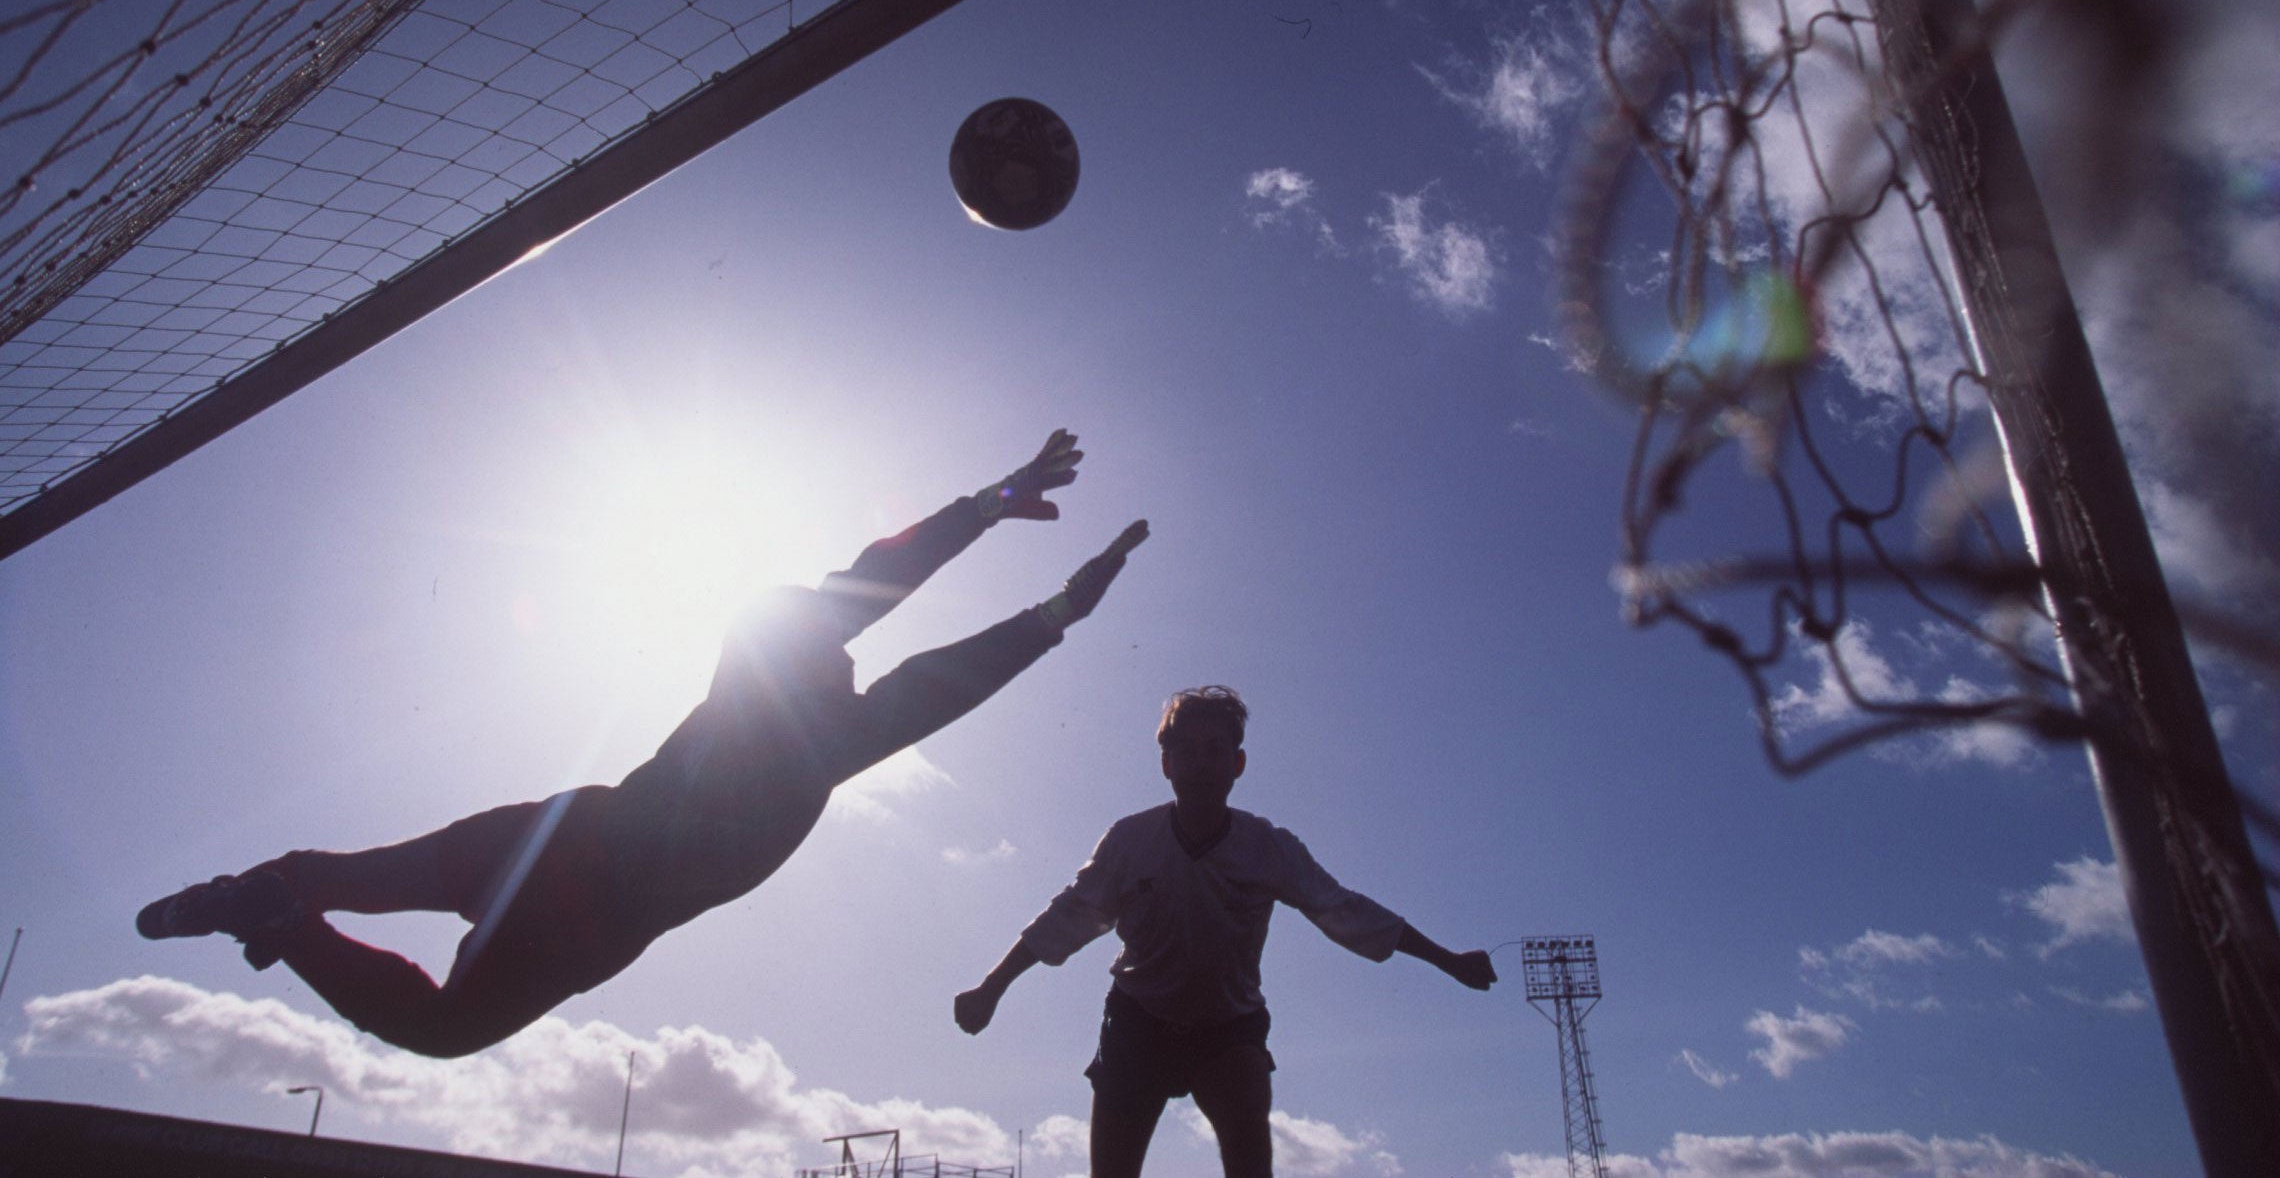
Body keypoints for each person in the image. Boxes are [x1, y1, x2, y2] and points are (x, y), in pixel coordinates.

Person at [138, 431, 1148, 1058]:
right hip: (583, 903)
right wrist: (1028, 569)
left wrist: (1030, 567)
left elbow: (913, 648)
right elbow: (905, 636)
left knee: (358, 887)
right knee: (418, 989)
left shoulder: (797, 704)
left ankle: (261, 899)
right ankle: (272, 906)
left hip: (547, 841)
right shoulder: (798, 710)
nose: (842, 662)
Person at [953, 685, 1496, 1178]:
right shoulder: (1130, 841)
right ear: (1166, 764)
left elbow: (1344, 910)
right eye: (1186, 750)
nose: (1201, 763)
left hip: (1229, 1029)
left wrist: (1448, 960)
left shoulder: (1269, 847)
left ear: (1237, 764)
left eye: (1215, 750)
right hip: (1137, 1022)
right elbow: (1068, 916)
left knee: (1250, 1160)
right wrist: (991, 988)